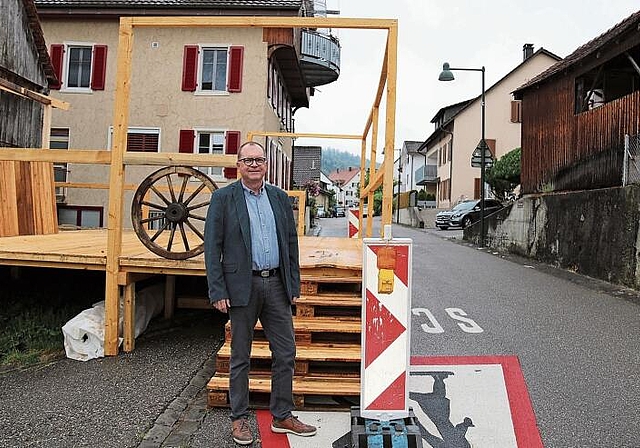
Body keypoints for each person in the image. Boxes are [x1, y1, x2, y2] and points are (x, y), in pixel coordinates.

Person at [204, 141, 317, 445]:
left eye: (259, 160)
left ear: (266, 165)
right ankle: (239, 419)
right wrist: (217, 290)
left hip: (277, 285)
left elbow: (291, 245)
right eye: (247, 160)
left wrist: (293, 285)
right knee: (240, 356)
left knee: (286, 351)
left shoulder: (280, 199)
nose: (254, 165)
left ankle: (282, 415)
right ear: (238, 165)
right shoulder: (223, 199)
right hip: (242, 286)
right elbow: (212, 248)